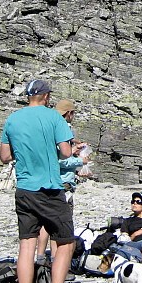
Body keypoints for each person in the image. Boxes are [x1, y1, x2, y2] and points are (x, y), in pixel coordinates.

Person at [0, 79, 74, 283]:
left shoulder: (12, 119)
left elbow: (4, 157)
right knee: (65, 242)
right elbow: (66, 152)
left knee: (27, 244)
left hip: (24, 190)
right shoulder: (53, 117)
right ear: (46, 96)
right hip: (49, 189)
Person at [36, 99, 88, 261]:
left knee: (46, 222)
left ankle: (41, 256)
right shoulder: (62, 128)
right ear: (69, 113)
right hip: (62, 185)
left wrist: (73, 151)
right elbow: (60, 161)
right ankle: (56, 259)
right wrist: (80, 162)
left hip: (48, 181)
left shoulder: (49, 128)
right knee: (60, 224)